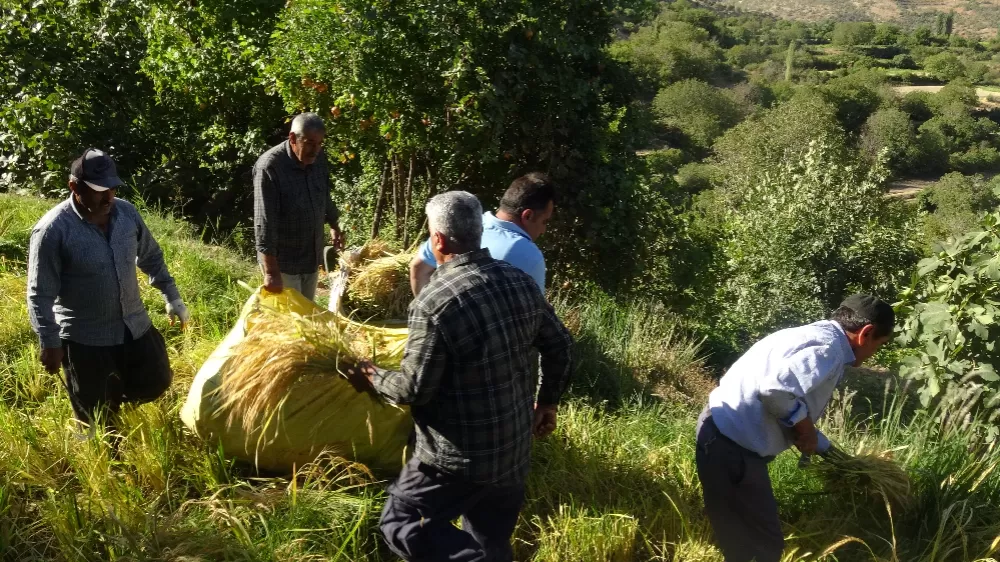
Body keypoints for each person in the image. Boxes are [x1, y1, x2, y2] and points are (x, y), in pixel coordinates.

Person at [347, 191, 574, 562]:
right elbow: (561, 346)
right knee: (491, 539)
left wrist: (371, 376)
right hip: (513, 451)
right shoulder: (518, 281)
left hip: (454, 459)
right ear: (477, 233)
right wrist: (548, 402)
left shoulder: (434, 302)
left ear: (438, 239)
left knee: (401, 522)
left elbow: (413, 388)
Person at [695, 294, 895, 562]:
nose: (875, 353)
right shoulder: (828, 350)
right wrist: (806, 429)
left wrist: (832, 454)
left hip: (721, 435)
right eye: (879, 345)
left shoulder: (809, 335)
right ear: (866, 333)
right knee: (761, 546)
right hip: (730, 448)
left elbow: (786, 402)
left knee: (743, 540)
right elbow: (775, 391)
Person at [27, 148, 189, 429]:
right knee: (96, 419)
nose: (108, 197)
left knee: (157, 381)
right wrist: (50, 342)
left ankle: (114, 397)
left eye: (112, 188)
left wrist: (171, 295)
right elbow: (40, 293)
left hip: (133, 325)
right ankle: (103, 451)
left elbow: (150, 256)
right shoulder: (53, 231)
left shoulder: (126, 213)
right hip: (85, 338)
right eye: (99, 190)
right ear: (74, 187)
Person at [409, 172, 555, 297]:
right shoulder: (528, 254)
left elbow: (418, 269)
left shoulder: (460, 224)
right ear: (527, 216)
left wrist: (429, 311)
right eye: (545, 221)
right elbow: (537, 317)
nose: (543, 230)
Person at [253, 112, 344, 301]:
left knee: (307, 318)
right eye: (310, 143)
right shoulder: (270, 167)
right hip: (283, 264)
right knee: (288, 324)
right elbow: (264, 223)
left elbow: (324, 194)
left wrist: (335, 224)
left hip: (310, 258)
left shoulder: (318, 158)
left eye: (320, 143)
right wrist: (271, 272)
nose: (315, 150)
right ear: (293, 138)